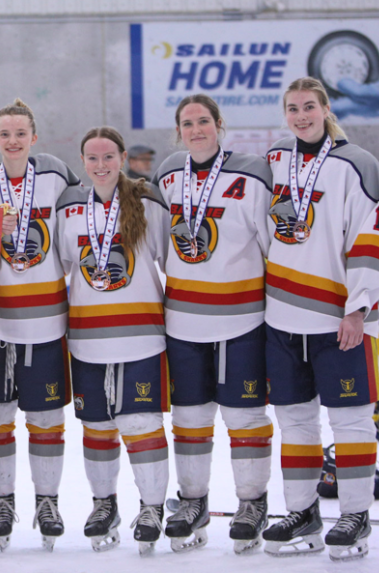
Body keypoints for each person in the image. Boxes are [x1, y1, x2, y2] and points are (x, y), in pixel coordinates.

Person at [261, 77, 379, 562]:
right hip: (283, 318)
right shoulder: (274, 160)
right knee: (295, 422)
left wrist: (358, 308)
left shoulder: (358, 163)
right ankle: (302, 511)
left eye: (309, 107)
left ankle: (355, 515)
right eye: (292, 108)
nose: (300, 116)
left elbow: (369, 241)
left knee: (352, 422)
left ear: (326, 108)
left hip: (340, 319)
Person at [152, 94, 274, 554]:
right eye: (188, 122)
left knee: (244, 416)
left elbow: (271, 244)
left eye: (204, 121)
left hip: (243, 318)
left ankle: (252, 502)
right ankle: (193, 501)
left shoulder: (252, 171)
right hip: (183, 321)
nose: (196, 129)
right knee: (189, 418)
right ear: (178, 130)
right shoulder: (167, 174)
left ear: (220, 125)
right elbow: (158, 245)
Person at [0, 98, 80, 552]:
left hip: (47, 321)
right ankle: (2, 502)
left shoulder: (55, 174)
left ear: (34, 137)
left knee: (47, 418)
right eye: (5, 134)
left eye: (21, 133)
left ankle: (48, 502)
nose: (13, 141)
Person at [55, 126, 171, 556]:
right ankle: (104, 504)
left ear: (122, 157)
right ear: (82, 161)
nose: (100, 165)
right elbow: (55, 267)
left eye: (108, 157)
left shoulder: (147, 201)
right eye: (92, 158)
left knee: (141, 426)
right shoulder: (68, 207)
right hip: (86, 339)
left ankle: (152, 507)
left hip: (141, 337)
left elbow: (174, 263)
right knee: (97, 428)